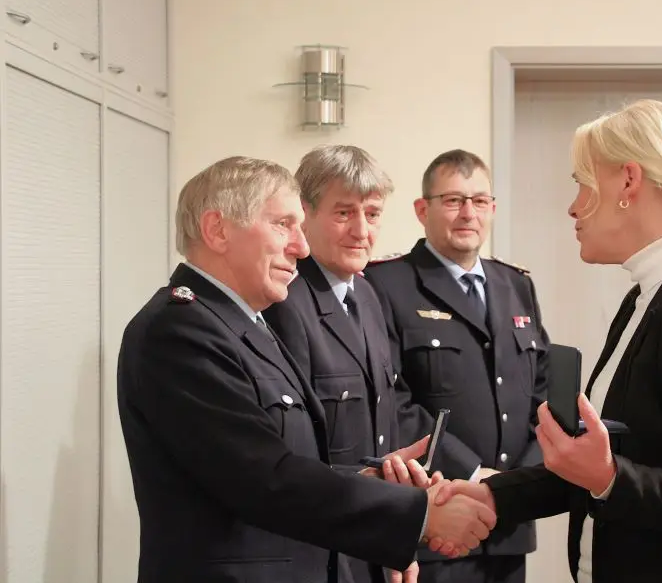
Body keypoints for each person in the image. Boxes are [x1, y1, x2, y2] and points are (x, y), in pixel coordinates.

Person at [430, 99, 662, 583]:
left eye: (581, 184)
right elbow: (606, 465)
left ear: (627, 181)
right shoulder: (650, 295)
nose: (573, 206)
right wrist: (496, 495)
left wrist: (609, 477)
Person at [116, 155, 496, 583]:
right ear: (217, 230)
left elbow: (286, 461)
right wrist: (417, 517)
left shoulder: (245, 323)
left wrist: (371, 480)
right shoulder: (181, 332)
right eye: (283, 225)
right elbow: (264, 479)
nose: (300, 246)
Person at [363, 149, 550, 583]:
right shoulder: (386, 284)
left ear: (493, 209)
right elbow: (392, 397)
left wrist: (514, 486)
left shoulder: (516, 284)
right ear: (421, 209)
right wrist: (472, 474)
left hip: (508, 523)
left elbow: (540, 395)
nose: (468, 213)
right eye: (453, 200)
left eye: (479, 201)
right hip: (436, 515)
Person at [262, 144, 433, 583]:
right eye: (344, 213)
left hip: (367, 540)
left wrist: (393, 540)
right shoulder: (287, 303)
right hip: (319, 550)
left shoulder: (367, 295)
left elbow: (385, 423)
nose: (362, 230)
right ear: (305, 213)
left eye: (372, 214)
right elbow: (291, 457)